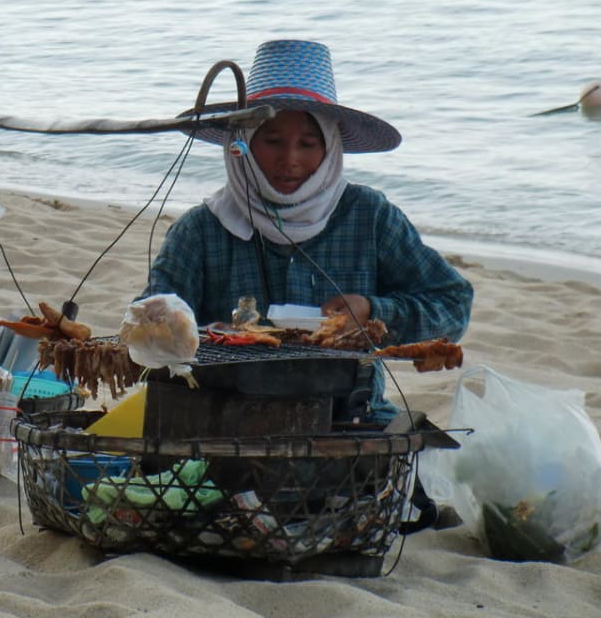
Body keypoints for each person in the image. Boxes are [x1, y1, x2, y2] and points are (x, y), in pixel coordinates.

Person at [143, 39, 474, 425]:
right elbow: (147, 327)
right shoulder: (201, 230)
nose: (290, 160)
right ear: (243, 144)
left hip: (350, 418)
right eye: (271, 141)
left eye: (308, 143)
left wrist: (372, 311)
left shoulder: (370, 217)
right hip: (224, 420)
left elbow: (452, 305)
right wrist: (200, 334)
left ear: (330, 147)